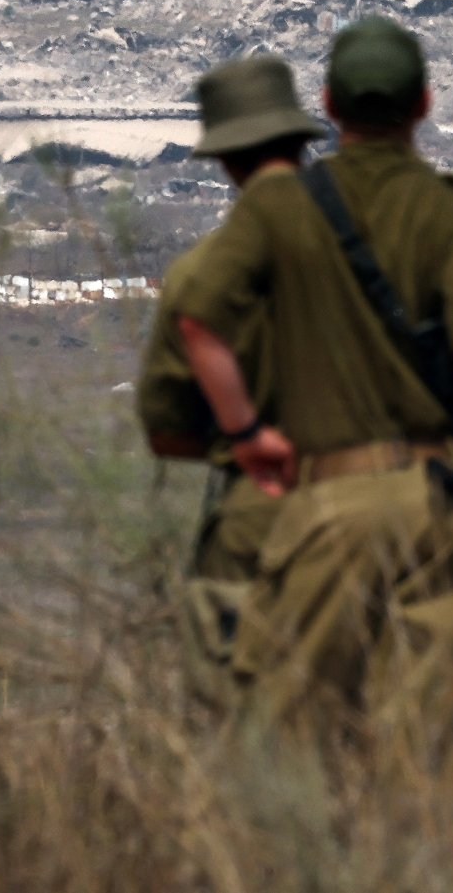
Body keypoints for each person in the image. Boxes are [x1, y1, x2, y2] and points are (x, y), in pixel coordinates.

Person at [172, 17, 453, 755]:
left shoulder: (279, 205)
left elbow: (198, 323)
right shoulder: (451, 208)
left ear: (327, 104)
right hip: (434, 504)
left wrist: (247, 434)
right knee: (428, 747)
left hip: (322, 503)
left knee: (296, 741)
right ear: (425, 103)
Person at [137, 54, 321, 711]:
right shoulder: (382, 247)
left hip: (259, 512)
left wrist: (242, 438)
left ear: (225, 159)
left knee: (245, 715)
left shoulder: (199, 273)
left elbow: (166, 430)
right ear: (303, 142)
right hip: (390, 500)